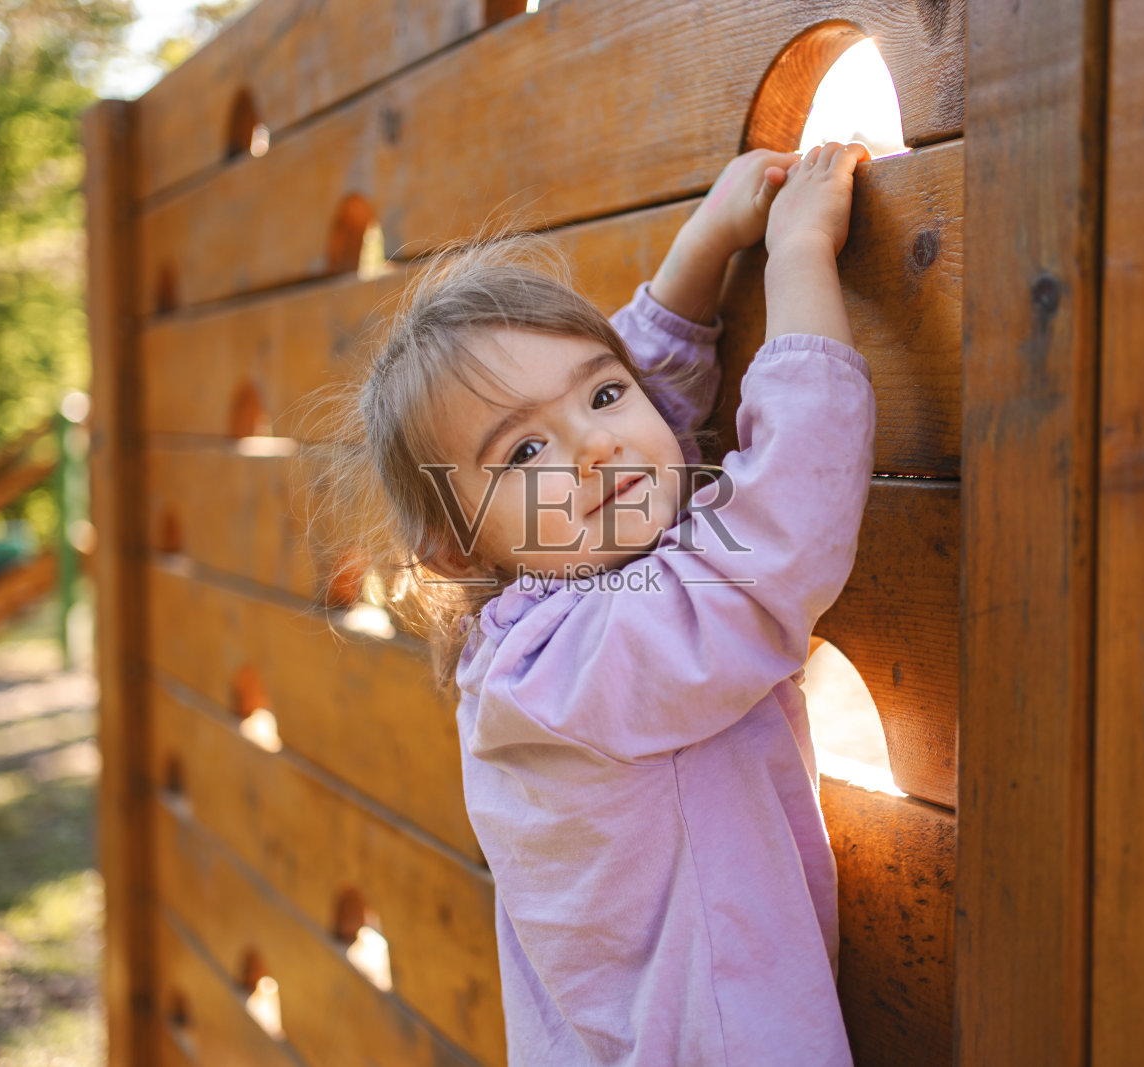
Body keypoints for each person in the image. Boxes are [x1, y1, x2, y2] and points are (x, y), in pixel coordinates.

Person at [307, 141, 875, 1065]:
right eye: (523, 454)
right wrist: (801, 258)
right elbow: (775, 542)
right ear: (456, 543)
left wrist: (703, 248)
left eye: (604, 394)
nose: (594, 448)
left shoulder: (535, 612)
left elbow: (627, 428)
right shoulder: (576, 670)